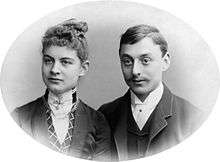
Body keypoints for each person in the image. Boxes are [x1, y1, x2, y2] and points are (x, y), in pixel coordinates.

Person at [98, 24, 204, 161]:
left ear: (165, 62)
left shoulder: (193, 119)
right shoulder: (105, 116)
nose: (135, 71)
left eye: (145, 60)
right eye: (127, 61)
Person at [11, 19, 111, 161]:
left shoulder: (97, 122)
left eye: (65, 62)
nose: (54, 70)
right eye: (48, 60)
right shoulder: (20, 117)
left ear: (83, 68)